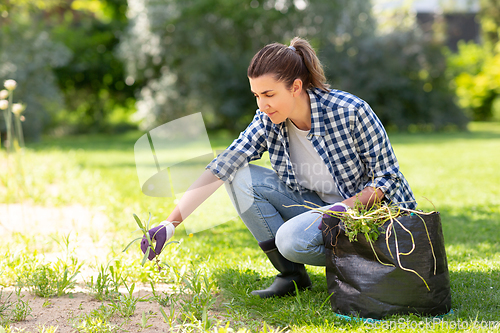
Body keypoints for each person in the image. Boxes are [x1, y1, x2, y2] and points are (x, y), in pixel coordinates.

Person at [141, 37, 416, 299]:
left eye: (269, 94)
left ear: (296, 87)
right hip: (321, 207)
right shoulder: (267, 119)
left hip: (370, 218)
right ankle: (292, 276)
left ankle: (369, 265)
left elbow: (388, 178)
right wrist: (171, 223)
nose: (262, 105)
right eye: (256, 95)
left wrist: (343, 209)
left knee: (291, 240)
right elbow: (222, 166)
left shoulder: (350, 111)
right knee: (238, 175)